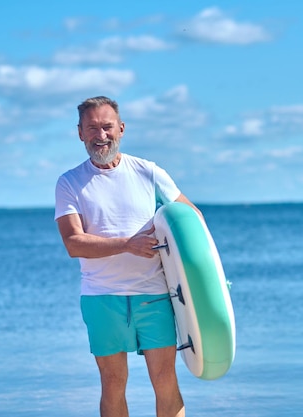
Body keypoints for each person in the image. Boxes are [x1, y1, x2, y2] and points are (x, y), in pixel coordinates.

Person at [54, 96, 199, 417]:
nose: (101, 135)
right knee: (113, 381)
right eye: (92, 128)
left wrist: (200, 278)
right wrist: (126, 244)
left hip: (154, 295)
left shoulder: (149, 172)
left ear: (121, 128)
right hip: (102, 298)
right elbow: (74, 243)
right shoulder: (69, 183)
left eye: (107, 126)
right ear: (80, 133)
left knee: (164, 379)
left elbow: (190, 219)